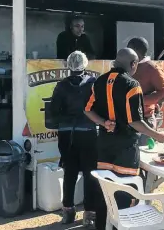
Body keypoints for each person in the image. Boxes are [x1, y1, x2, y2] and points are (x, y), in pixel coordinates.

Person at [84, 47, 164, 230]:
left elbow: (87, 109)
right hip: (125, 147)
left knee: (105, 188)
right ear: (133, 64)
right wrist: (158, 136)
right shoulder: (132, 85)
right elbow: (135, 122)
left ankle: (103, 225)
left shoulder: (99, 81)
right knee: (124, 190)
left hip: (104, 145)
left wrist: (104, 122)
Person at [50, 51, 98, 228]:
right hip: (88, 133)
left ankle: (68, 212)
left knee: (69, 173)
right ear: (85, 65)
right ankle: (90, 214)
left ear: (67, 65)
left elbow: (54, 111)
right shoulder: (93, 83)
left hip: (66, 134)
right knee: (89, 174)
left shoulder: (61, 86)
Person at [127, 37, 164, 134]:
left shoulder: (152, 68)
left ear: (135, 50)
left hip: (144, 120)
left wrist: (139, 101)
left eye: (128, 49)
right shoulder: (129, 66)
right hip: (127, 120)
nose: (126, 52)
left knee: (143, 149)